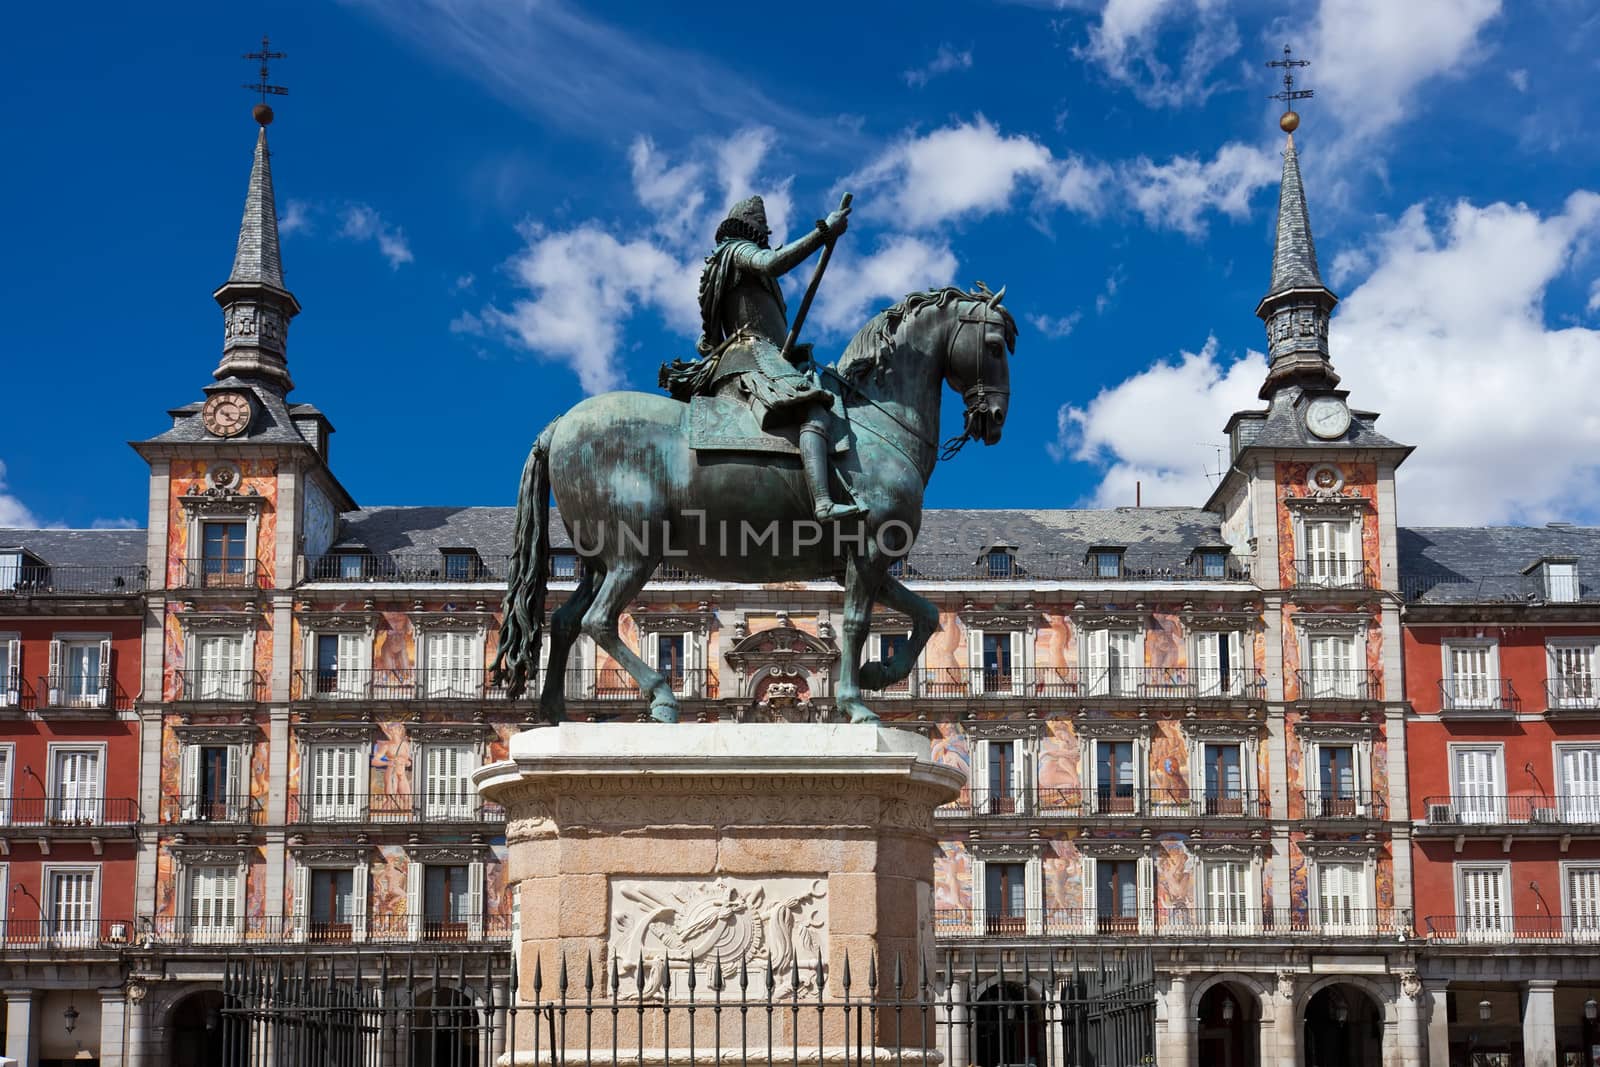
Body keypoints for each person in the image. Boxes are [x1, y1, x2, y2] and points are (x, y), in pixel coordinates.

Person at [663, 195, 862, 521]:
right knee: (813, 408)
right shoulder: (736, 250)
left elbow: (710, 339)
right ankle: (823, 502)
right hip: (753, 356)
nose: (767, 236)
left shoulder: (724, 265)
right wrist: (823, 231)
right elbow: (771, 263)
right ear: (751, 227)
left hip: (759, 354)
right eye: (764, 229)